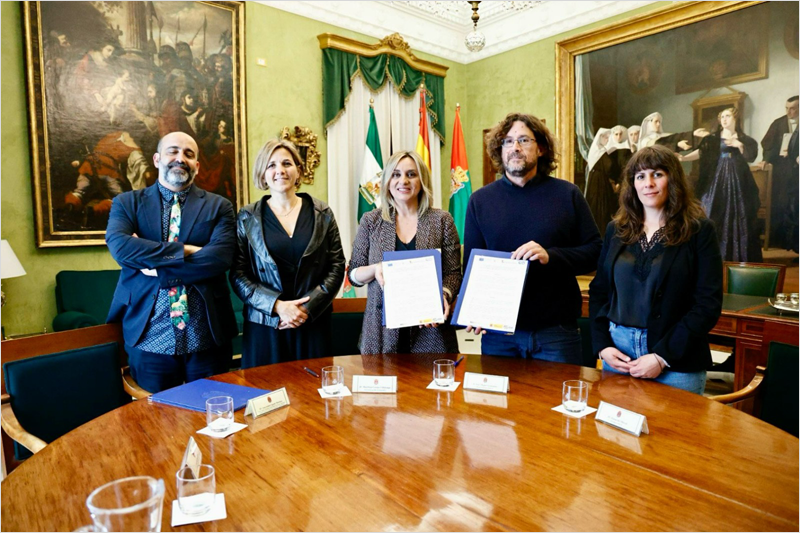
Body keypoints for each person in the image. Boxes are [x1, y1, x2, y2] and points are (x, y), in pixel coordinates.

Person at [463, 113, 602, 364]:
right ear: (499, 150)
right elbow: (472, 266)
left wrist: (552, 256)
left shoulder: (567, 194)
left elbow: (596, 252)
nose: (515, 147)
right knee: (498, 404)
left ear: (541, 148)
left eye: (524, 140)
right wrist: (473, 311)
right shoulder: (480, 201)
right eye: (507, 141)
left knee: (558, 403)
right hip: (498, 335)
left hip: (556, 332)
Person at [106, 131, 238, 393]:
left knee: (213, 418)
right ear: (156, 159)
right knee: (155, 423)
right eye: (173, 151)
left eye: (189, 154)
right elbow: (121, 247)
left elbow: (220, 257)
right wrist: (183, 250)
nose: (180, 158)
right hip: (149, 337)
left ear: (197, 166)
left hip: (207, 337)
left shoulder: (219, 206)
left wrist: (158, 269)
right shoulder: (127, 203)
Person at [589, 145, 723, 394]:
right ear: (632, 185)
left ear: (673, 180)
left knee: (674, 433)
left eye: (657, 174)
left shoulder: (700, 231)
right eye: (640, 176)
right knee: (616, 433)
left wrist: (661, 356)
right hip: (618, 355)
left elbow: (708, 304)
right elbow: (599, 292)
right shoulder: (615, 230)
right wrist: (603, 345)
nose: (648, 183)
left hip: (675, 359)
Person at [230, 139, 345, 368]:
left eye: (286, 163)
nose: (280, 170)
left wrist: (305, 308)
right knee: (266, 396)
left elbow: (337, 265)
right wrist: (277, 307)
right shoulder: (247, 217)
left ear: (298, 170)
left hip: (312, 322)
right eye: (271, 165)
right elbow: (238, 273)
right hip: (265, 324)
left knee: (313, 397)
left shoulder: (322, 213)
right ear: (263, 174)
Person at [347, 150, 462, 354]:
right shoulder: (371, 221)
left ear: (422, 180)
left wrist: (444, 294)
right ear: (387, 181)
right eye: (396, 174)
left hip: (431, 332)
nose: (403, 181)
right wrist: (376, 269)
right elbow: (354, 275)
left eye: (411, 174)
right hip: (380, 332)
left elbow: (453, 274)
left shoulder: (442, 220)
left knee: (431, 385)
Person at [682, 107, 762, 262]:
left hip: (739, 177)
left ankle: (739, 256)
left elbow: (750, 157)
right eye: (722, 117)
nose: (724, 119)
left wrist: (738, 144)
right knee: (712, 209)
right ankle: (710, 256)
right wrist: (683, 158)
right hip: (717, 177)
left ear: (735, 118)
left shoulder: (745, 139)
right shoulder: (713, 138)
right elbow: (701, 152)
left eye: (728, 116)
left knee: (741, 213)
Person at [761, 96, 799, 249]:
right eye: (787, 108)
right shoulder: (778, 123)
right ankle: (783, 243)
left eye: (793, 108)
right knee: (782, 204)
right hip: (783, 172)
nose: (789, 111)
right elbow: (768, 145)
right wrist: (766, 159)